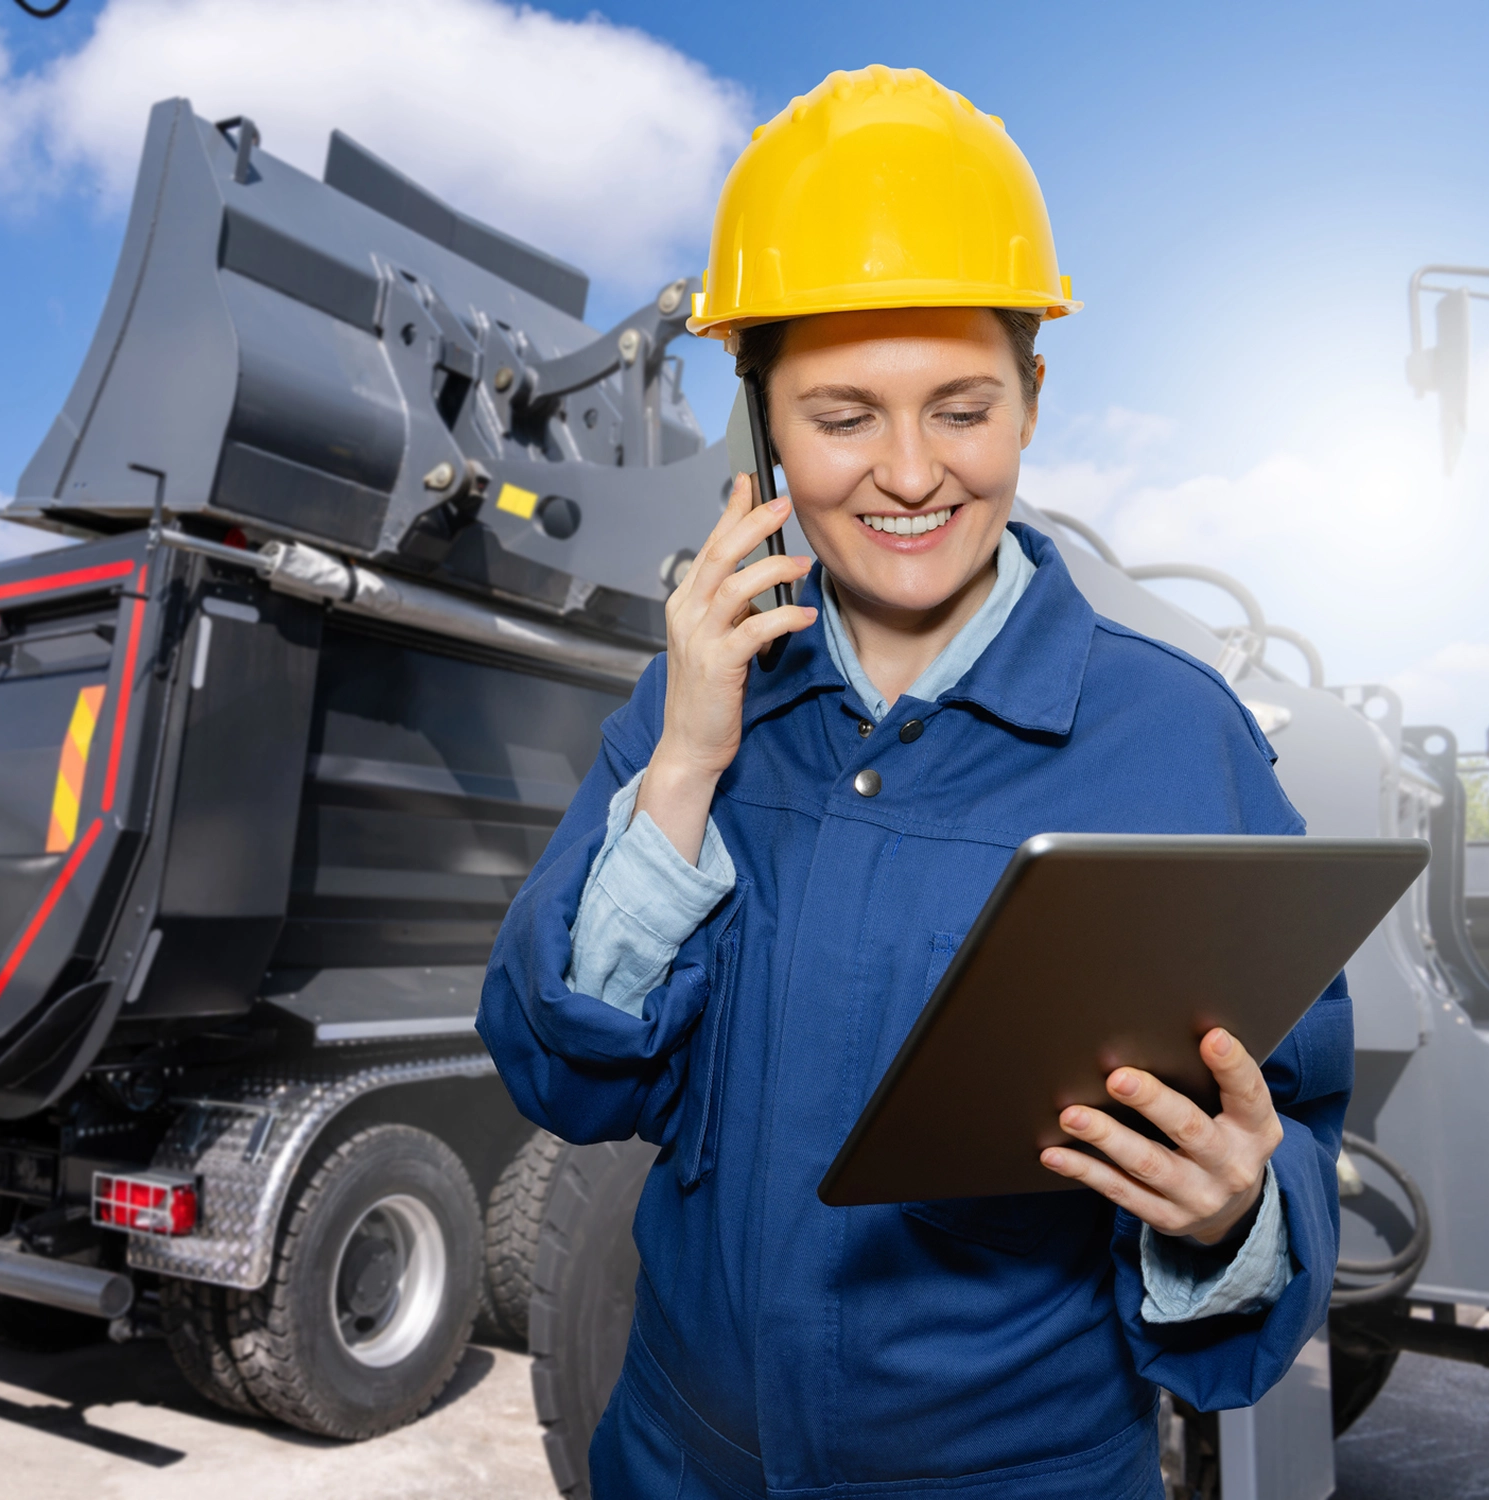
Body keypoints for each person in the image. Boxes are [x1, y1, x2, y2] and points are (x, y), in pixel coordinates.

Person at [477, 65, 1348, 1500]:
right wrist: (690, 755)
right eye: (841, 415)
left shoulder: (1174, 744)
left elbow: (1291, 1123)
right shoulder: (697, 702)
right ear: (758, 420)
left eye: (960, 407)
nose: (907, 474)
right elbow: (564, 1073)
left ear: (1032, 400)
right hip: (677, 1465)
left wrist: (1239, 1209)